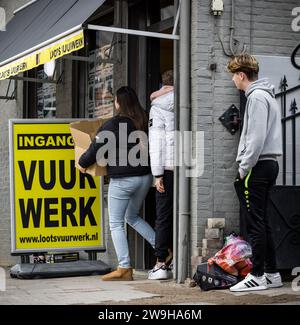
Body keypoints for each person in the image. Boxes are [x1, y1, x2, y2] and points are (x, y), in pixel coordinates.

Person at [78, 86, 155, 281]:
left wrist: (81, 163)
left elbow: (95, 148)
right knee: (132, 217)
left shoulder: (112, 124)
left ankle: (124, 267)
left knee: (115, 223)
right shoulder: (144, 119)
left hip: (123, 180)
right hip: (145, 177)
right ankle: (163, 249)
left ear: (118, 103)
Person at [227, 53, 283, 292]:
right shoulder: (266, 95)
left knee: (255, 223)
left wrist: (243, 167)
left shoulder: (257, 98)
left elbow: (256, 138)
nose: (232, 80)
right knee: (263, 222)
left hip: (257, 166)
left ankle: (258, 275)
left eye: (233, 75)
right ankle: (272, 273)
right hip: (267, 164)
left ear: (241, 75)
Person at [148, 70, 174, 280]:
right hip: (187, 165)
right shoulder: (186, 99)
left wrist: (157, 174)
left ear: (162, 86)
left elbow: (156, 143)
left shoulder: (158, 107)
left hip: (166, 167)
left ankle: (160, 264)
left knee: (163, 215)